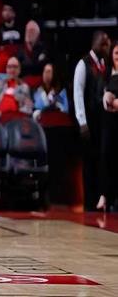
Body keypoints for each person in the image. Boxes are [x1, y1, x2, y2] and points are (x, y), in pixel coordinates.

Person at [73, 30, 110, 210]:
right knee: (89, 163)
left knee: (101, 161)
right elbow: (78, 93)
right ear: (96, 44)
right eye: (105, 43)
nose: (107, 47)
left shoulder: (103, 64)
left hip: (102, 120)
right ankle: (88, 204)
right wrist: (82, 122)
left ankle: (99, 200)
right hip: (88, 121)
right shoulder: (83, 64)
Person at [99, 42, 118, 211]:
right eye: (116, 53)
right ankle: (105, 195)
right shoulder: (106, 74)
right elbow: (102, 94)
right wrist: (106, 98)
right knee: (106, 156)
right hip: (108, 122)